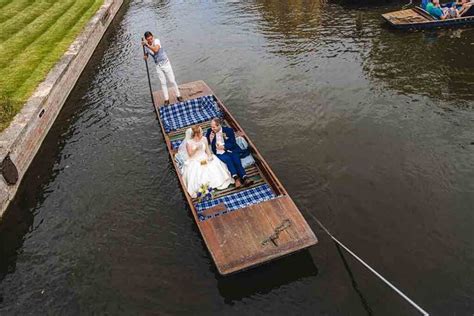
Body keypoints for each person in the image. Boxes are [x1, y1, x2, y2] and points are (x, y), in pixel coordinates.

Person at [179, 126, 234, 198]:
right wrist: (195, 149)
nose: (203, 132)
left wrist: (210, 157)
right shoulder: (189, 143)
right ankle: (204, 188)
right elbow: (190, 155)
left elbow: (207, 150)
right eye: (201, 131)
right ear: (196, 134)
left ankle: (216, 182)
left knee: (214, 163)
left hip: (205, 157)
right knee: (199, 170)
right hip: (195, 160)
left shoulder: (204, 139)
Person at [206, 118, 253, 188]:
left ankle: (245, 177)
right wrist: (210, 138)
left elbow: (233, 143)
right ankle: (236, 179)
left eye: (214, 127)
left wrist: (224, 147)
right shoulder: (210, 131)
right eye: (211, 127)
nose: (212, 128)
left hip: (231, 149)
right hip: (219, 152)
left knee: (236, 160)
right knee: (228, 160)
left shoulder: (229, 130)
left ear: (219, 126)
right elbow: (206, 142)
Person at [142, 31, 183, 105]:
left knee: (172, 80)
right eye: (148, 39)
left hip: (166, 63)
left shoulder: (157, 41)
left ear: (153, 37)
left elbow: (156, 50)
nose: (150, 40)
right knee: (163, 83)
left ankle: (178, 95)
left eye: (151, 38)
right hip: (158, 65)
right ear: (146, 39)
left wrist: (147, 45)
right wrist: (145, 56)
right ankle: (166, 99)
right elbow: (147, 54)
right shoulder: (146, 46)